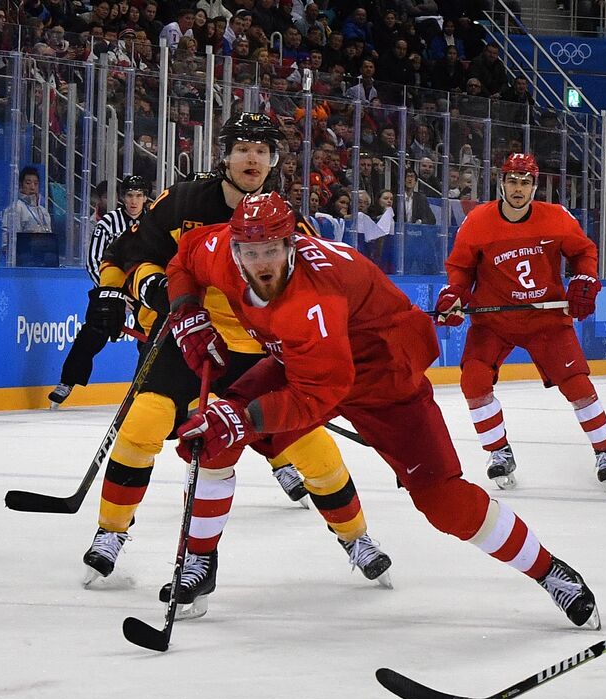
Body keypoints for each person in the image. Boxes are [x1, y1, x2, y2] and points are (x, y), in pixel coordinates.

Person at [161, 192, 599, 630]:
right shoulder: (221, 250)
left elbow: (318, 394)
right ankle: (199, 563)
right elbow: (183, 259)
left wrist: (243, 418)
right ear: (235, 248)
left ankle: (550, 571)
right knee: (209, 441)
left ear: (293, 244)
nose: (261, 263)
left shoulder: (313, 298)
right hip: (307, 364)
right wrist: (186, 312)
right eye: (251, 252)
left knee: (442, 501)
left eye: (272, 250)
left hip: (384, 377)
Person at [83, 113, 390, 607]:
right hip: (190, 341)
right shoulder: (183, 200)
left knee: (311, 446)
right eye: (244, 147)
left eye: (263, 150)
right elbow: (136, 253)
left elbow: (314, 288)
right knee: (142, 425)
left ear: (273, 161)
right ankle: (111, 532)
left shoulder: (286, 217)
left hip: (259, 352)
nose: (253, 158)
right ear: (224, 155)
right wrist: (151, 287)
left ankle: (355, 537)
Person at [437, 153, 606, 491]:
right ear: (501, 183)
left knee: (577, 384)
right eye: (512, 180)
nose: (518, 188)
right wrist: (455, 294)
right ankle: (498, 452)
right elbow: (461, 268)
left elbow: (584, 251)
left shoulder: (556, 219)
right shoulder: (478, 221)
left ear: (535, 186)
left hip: (546, 319)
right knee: (474, 380)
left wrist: (586, 278)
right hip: (495, 321)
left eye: (525, 182)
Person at [49, 175, 151, 408]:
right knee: (92, 334)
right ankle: (67, 381)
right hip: (110, 289)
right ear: (122, 197)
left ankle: (148, 388)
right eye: (129, 195)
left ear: (145, 198)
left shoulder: (155, 223)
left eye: (138, 196)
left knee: (150, 337)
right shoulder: (108, 223)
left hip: (143, 288)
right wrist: (113, 292)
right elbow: (94, 260)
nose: (134, 201)